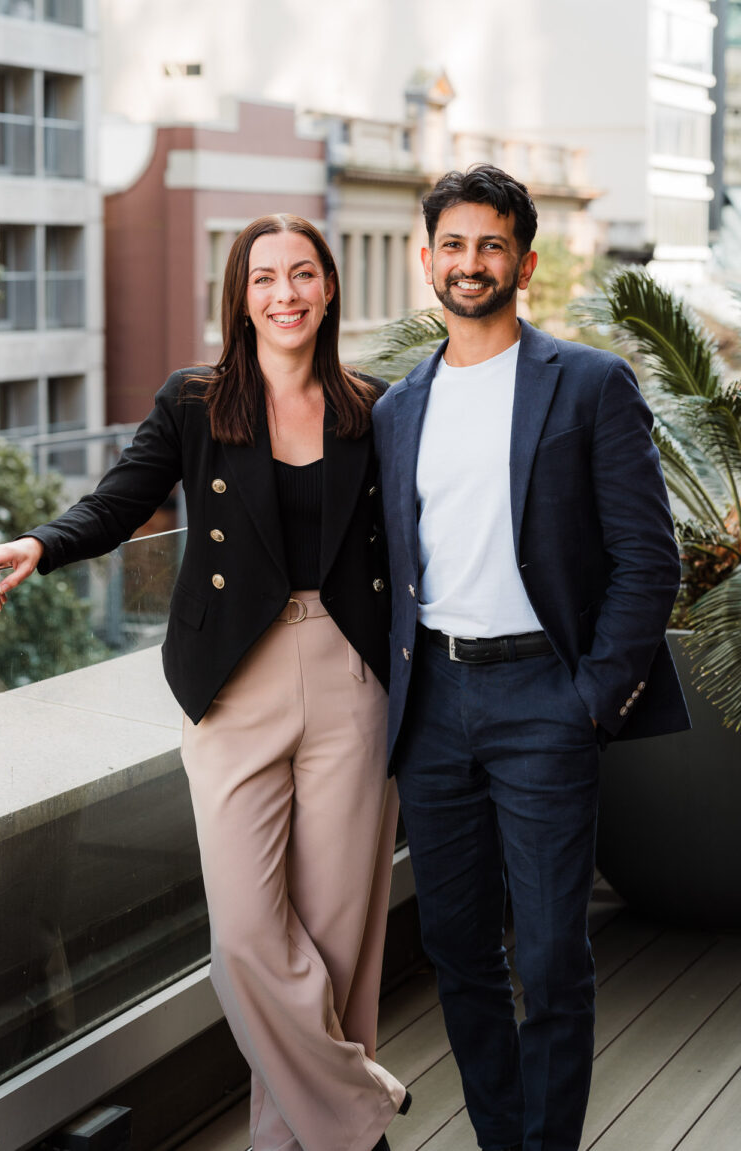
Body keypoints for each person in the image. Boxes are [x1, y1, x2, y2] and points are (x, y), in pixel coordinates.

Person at [0, 214, 411, 1151]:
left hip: (351, 675)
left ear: (329, 288)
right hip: (232, 684)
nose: (285, 293)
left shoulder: (373, 407)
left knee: (337, 945)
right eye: (265, 278)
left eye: (303, 274)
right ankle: (359, 1116)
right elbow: (119, 499)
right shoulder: (196, 401)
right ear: (240, 294)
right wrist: (39, 544)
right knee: (249, 942)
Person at [371, 165, 690, 1151]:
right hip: (435, 706)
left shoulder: (588, 383)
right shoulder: (396, 409)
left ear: (525, 260)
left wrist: (591, 696)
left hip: (543, 699)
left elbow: (649, 558)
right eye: (454, 246)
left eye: (491, 245)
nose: (471, 264)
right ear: (427, 260)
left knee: (551, 955)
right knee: (457, 946)